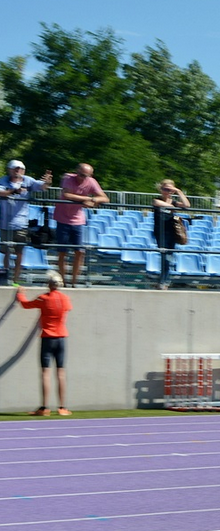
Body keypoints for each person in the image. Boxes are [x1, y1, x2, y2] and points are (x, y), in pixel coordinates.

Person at [17, 270, 73, 416]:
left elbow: (25, 304)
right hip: (61, 338)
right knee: (61, 372)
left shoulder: (43, 299)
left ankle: (44, 407)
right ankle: (62, 407)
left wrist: (20, 293)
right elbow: (68, 309)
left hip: (48, 338)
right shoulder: (65, 299)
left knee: (45, 373)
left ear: (49, 284)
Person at [54, 163, 108, 288]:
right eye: (80, 174)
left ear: (90, 175)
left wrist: (94, 200)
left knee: (79, 251)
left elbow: (105, 198)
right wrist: (85, 199)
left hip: (78, 220)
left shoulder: (91, 181)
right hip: (62, 218)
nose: (81, 178)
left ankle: (74, 282)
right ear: (76, 172)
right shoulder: (68, 178)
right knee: (62, 252)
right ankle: (63, 281)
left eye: (85, 176)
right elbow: (66, 195)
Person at [1, 160, 52, 285]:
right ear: (9, 169)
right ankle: (5, 276)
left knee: (19, 252)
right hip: (4, 223)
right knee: (5, 251)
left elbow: (41, 187)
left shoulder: (27, 180)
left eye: (21, 169)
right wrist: (14, 191)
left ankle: (15, 279)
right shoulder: (3, 180)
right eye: (15, 168)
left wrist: (47, 182)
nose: (18, 171)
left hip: (21, 223)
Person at [152, 179, 191, 290]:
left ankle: (164, 281)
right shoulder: (156, 200)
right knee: (165, 256)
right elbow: (161, 205)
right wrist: (174, 207)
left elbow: (187, 205)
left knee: (169, 257)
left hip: (171, 232)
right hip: (161, 232)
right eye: (165, 189)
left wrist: (179, 192)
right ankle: (163, 281)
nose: (168, 192)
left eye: (170, 189)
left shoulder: (173, 202)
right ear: (161, 190)